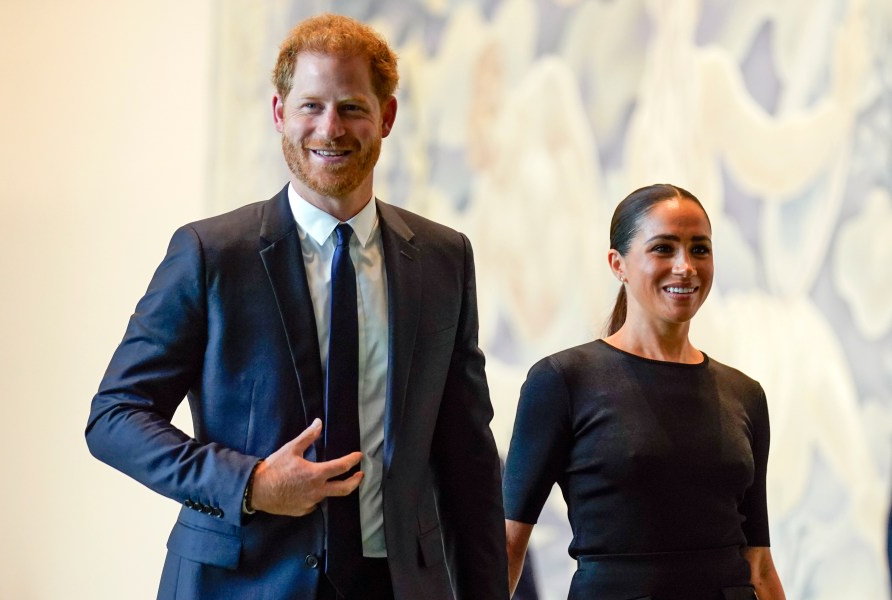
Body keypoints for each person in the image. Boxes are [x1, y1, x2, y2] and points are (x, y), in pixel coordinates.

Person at [85, 13, 507, 600]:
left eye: (352, 107)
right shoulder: (211, 253)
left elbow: (470, 460)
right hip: (238, 583)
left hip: (397, 585)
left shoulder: (444, 259)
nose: (330, 128)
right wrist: (251, 483)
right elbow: (115, 417)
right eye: (311, 106)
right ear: (279, 112)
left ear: (385, 117)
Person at [503, 184, 785, 600]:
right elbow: (509, 544)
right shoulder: (562, 380)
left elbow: (758, 562)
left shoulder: (745, 394)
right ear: (618, 264)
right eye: (663, 249)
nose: (685, 266)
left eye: (700, 249)